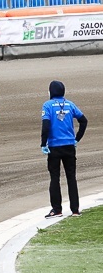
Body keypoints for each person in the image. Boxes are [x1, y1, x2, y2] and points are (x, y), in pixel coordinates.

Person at [41, 80, 88, 218]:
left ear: (51, 92)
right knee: (71, 178)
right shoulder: (70, 104)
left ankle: (56, 209)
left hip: (54, 147)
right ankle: (75, 209)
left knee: (54, 178)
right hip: (69, 146)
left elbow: (46, 125)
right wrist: (76, 139)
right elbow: (84, 121)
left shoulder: (47, 105)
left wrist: (43, 144)